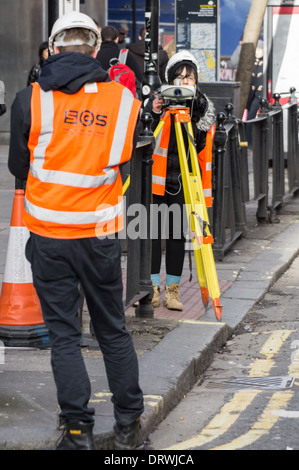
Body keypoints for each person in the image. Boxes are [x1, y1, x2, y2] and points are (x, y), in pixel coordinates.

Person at [8, 11, 144, 451]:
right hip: (100, 235)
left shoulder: (31, 99)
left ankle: (77, 431)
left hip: (49, 235)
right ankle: (127, 428)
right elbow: (124, 162)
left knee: (65, 336)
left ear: (52, 48)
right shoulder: (122, 102)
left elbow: (18, 168)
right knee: (111, 331)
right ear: (93, 49)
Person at [144, 50, 215, 311]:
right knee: (152, 233)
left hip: (182, 181)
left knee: (175, 236)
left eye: (189, 78)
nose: (184, 83)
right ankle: (151, 287)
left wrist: (192, 116)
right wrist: (153, 113)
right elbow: (142, 137)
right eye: (179, 77)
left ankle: (172, 291)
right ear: (169, 80)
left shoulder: (202, 107)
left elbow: (201, 145)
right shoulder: (156, 102)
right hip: (156, 178)